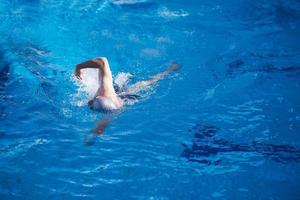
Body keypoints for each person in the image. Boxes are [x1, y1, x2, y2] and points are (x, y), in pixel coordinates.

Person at [75, 57, 180, 136]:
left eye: (92, 104)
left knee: (145, 84)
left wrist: (94, 133)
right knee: (145, 84)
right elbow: (102, 61)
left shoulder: (106, 96)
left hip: (121, 99)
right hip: (125, 97)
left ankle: (169, 71)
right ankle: (169, 71)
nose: (89, 103)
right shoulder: (108, 97)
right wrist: (79, 67)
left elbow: (104, 122)